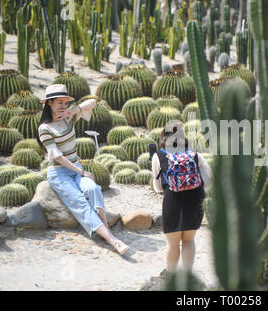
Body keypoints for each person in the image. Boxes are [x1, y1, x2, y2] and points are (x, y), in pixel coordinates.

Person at [36, 84, 130, 255]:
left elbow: (92, 102)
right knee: (80, 203)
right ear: (49, 103)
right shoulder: (45, 128)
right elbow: (57, 157)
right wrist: (81, 172)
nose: (64, 106)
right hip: (59, 173)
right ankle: (113, 240)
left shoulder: (68, 117)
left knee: (93, 188)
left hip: (75, 167)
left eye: (65, 103)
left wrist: (74, 110)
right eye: (59, 103)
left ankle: (105, 230)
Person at [150, 120, 211, 277]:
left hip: (172, 201)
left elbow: (157, 186)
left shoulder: (159, 156)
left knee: (172, 243)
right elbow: (209, 180)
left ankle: (170, 276)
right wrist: (194, 188)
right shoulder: (194, 155)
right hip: (195, 200)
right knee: (189, 241)